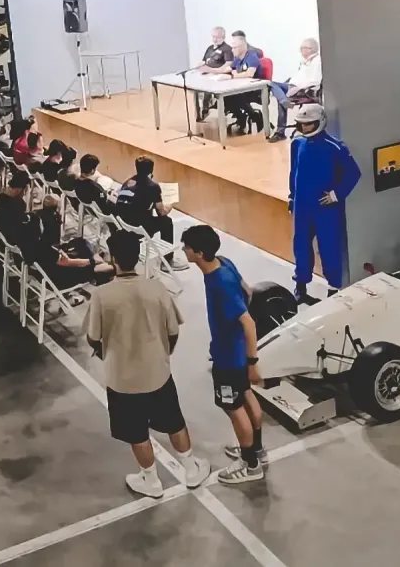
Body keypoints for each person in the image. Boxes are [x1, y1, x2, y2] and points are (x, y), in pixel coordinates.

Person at [85, 231, 208, 496]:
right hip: (157, 373)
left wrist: (110, 353)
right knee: (174, 421)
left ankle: (151, 481)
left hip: (121, 379)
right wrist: (163, 354)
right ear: (138, 257)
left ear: (113, 259)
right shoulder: (157, 288)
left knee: (135, 431)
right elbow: (173, 331)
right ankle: (190, 469)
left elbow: (93, 337)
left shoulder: (102, 295)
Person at [180, 225, 265, 485]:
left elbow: (249, 323)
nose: (183, 250)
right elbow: (248, 291)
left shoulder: (220, 285)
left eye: (187, 247)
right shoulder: (224, 262)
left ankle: (250, 464)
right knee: (245, 395)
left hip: (229, 359)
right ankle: (256, 449)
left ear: (199, 253)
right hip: (234, 351)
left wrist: (252, 362)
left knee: (233, 407)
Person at [288, 103, 361, 300]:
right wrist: (292, 197)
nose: (305, 128)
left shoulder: (335, 147)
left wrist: (336, 195)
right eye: (302, 124)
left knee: (329, 248)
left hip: (326, 209)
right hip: (302, 207)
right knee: (301, 247)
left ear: (319, 122)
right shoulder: (297, 144)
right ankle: (300, 287)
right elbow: (293, 173)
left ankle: (333, 289)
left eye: (309, 124)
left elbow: (353, 173)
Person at [115, 157, 186, 270]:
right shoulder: (153, 187)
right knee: (166, 222)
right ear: (151, 170)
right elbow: (162, 213)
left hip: (123, 225)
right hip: (139, 229)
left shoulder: (127, 182)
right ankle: (167, 261)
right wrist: (170, 204)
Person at [267, 37, 322, 142]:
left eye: (303, 48)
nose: (301, 51)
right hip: (293, 85)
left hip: (304, 90)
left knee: (280, 95)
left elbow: (315, 80)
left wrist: (298, 88)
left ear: (312, 49)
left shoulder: (317, 61)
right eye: (301, 48)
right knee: (271, 84)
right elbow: (300, 76)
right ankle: (284, 101)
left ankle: (280, 132)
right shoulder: (304, 61)